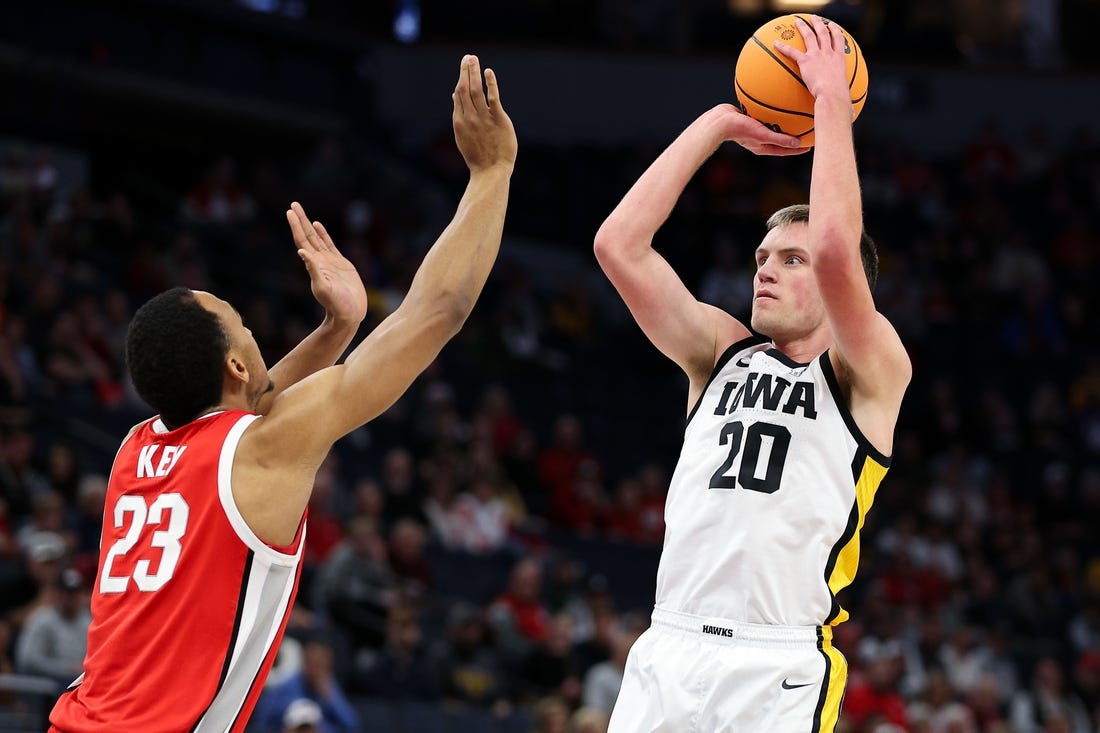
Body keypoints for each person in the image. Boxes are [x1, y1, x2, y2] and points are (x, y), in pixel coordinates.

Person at [48, 53, 517, 733]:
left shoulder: (135, 449)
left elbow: (249, 410)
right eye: (242, 324)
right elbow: (436, 311)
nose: (251, 328)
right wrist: (491, 173)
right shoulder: (262, 449)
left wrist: (339, 327)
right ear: (236, 365)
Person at [593, 16, 911, 732]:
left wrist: (831, 100)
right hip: (668, 645)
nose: (765, 270)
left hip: (778, 668)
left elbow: (836, 250)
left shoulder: (871, 369)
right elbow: (618, 245)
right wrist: (714, 126)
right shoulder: (719, 353)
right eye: (762, 257)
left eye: (788, 260)